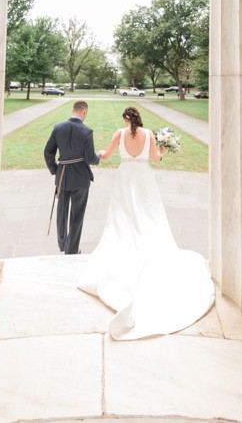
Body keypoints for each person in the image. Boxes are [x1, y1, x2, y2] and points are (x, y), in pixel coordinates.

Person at [78, 106, 214, 340]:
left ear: (125, 119)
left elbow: (108, 155)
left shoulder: (119, 134)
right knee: (148, 214)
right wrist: (162, 148)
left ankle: (126, 246)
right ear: (139, 119)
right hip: (143, 179)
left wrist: (99, 152)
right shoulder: (149, 133)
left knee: (123, 217)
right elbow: (156, 159)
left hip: (125, 178)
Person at [44, 101, 101, 254]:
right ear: (85, 112)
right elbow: (90, 158)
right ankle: (72, 249)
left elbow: (48, 152)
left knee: (61, 212)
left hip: (62, 176)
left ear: (73, 110)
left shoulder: (58, 127)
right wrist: (99, 157)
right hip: (81, 178)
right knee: (77, 215)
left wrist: (55, 169)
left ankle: (62, 244)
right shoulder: (87, 131)